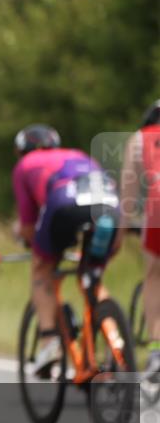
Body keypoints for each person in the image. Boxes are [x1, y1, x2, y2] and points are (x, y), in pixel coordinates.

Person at [12, 124, 121, 375]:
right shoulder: (80, 155)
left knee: (42, 269)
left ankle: (49, 342)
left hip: (65, 203)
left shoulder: (25, 165)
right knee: (92, 275)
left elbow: (28, 227)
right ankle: (115, 340)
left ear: (21, 151)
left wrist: (31, 242)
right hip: (110, 206)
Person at [119, 100, 160, 381]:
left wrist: (119, 234)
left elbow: (128, 202)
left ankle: (156, 352)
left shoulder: (140, 138)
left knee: (154, 278)